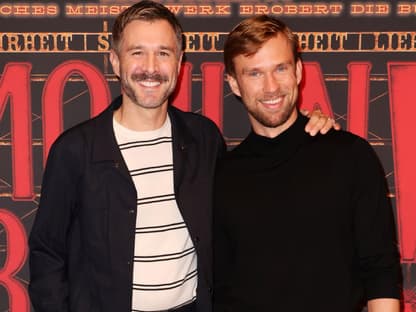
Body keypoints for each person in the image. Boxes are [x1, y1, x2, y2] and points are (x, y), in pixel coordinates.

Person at [28, 2, 338, 311]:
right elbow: (48, 253)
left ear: (179, 63)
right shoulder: (75, 150)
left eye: (163, 53)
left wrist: (305, 126)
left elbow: (257, 189)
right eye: (137, 52)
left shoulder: (203, 139)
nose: (151, 67)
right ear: (115, 61)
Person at [213, 15, 402, 312]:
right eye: (254, 74)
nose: (271, 86)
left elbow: (381, 271)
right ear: (234, 84)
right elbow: (219, 287)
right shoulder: (222, 175)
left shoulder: (350, 156)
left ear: (298, 71)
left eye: (280, 68)